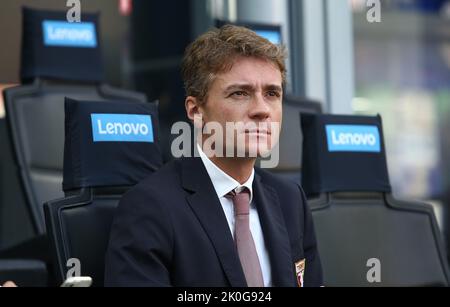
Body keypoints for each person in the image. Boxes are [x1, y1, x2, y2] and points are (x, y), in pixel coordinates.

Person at [104, 25, 323, 287]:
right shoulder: (149, 207)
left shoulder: (291, 200)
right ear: (196, 111)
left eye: (272, 93)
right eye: (240, 93)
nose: (262, 110)